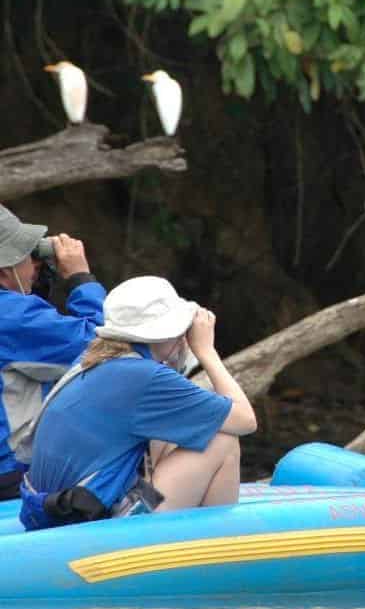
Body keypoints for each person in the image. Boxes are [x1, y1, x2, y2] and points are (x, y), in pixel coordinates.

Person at [19, 275, 257, 531]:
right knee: (222, 442)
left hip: (51, 513)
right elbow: (245, 420)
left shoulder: (95, 358)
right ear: (166, 333)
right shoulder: (144, 377)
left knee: (177, 428)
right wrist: (207, 352)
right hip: (86, 525)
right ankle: (217, 544)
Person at [0, 204, 106, 499]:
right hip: (12, 474)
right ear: (5, 269)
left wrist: (34, 287)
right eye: (26, 256)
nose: (33, 265)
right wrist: (81, 279)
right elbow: (104, 347)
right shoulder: (11, 315)